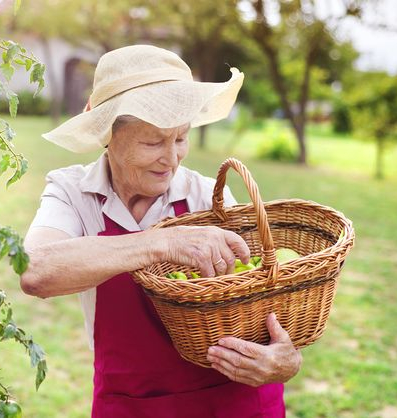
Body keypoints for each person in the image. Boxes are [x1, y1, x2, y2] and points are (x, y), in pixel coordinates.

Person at [21, 45, 302, 417]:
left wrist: (285, 361)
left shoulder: (206, 194)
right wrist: (159, 243)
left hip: (231, 400)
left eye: (180, 138)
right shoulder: (73, 192)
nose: (171, 159)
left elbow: (262, 303)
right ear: (108, 135)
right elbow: (35, 270)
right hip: (131, 404)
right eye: (153, 141)